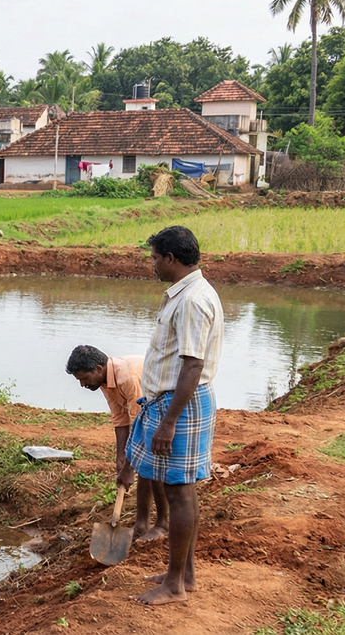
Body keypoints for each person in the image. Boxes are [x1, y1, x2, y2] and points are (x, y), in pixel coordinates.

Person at [129, 225, 223, 606]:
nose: (152, 265)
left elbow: (193, 366)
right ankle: (184, 574)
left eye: (154, 259)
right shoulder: (187, 293)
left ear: (171, 259)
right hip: (172, 402)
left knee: (179, 492)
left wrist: (168, 421)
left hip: (180, 405)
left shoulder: (192, 301)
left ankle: (174, 586)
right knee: (180, 489)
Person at [67, 345, 166, 543]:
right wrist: (121, 456)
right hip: (147, 413)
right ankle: (141, 525)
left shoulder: (126, 378)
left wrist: (129, 467)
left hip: (167, 410)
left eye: (83, 379)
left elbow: (140, 423)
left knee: (151, 466)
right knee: (143, 466)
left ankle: (163, 524)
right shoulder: (105, 381)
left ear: (98, 368)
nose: (82, 385)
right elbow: (121, 419)